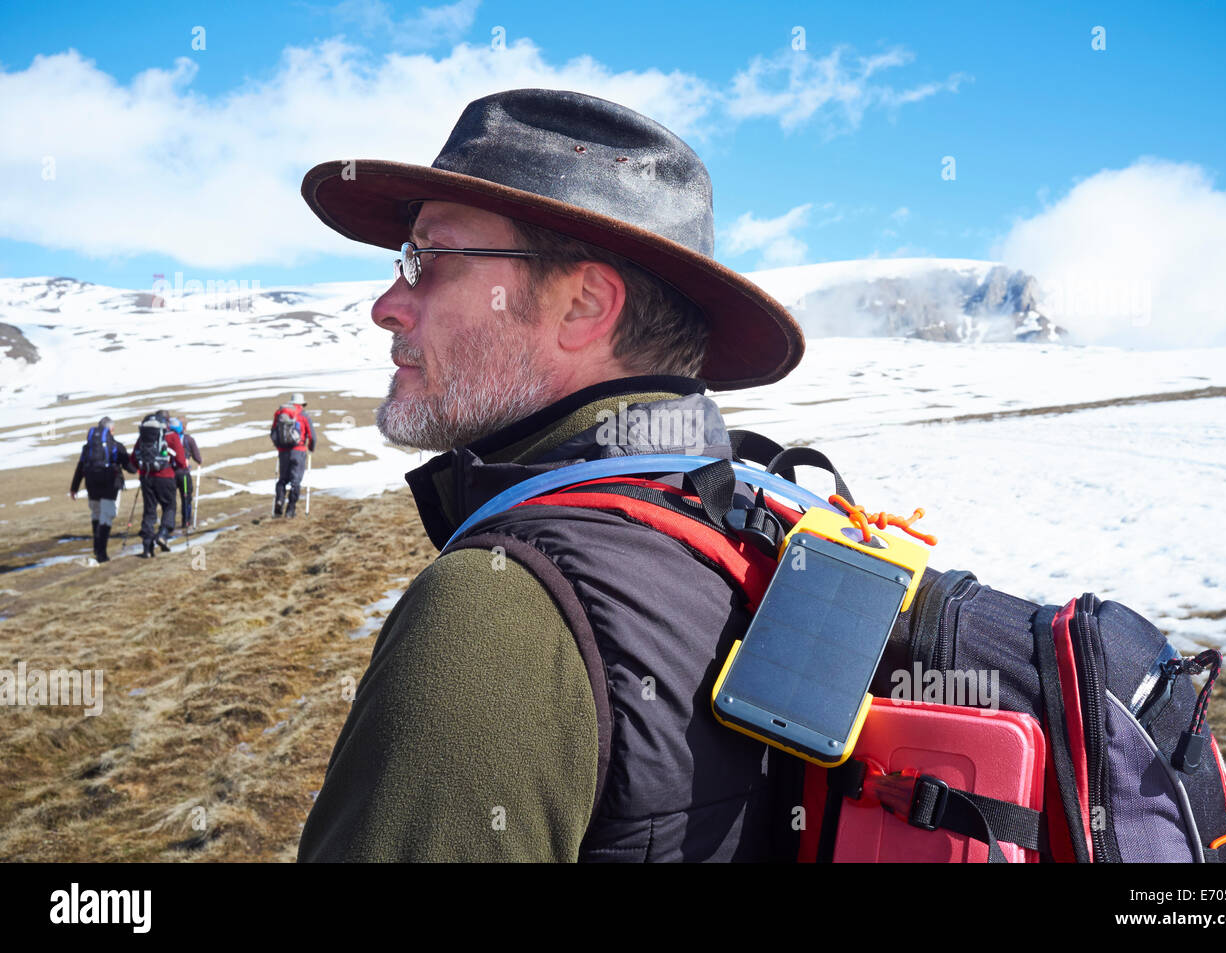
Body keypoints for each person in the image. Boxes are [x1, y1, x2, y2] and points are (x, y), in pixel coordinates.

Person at [296, 89, 805, 861]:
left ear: (583, 305)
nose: (387, 304)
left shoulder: (497, 607)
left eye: (429, 259)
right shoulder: (735, 522)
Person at [69, 416, 138, 563]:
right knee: (107, 516)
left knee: (96, 514)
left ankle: (96, 548)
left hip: (91, 485)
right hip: (110, 485)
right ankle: (102, 553)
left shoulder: (87, 447)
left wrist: (74, 488)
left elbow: (80, 467)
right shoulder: (116, 446)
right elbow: (130, 468)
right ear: (111, 430)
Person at [131, 412, 187, 557]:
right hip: (166, 476)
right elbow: (181, 461)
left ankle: (147, 547)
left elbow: (133, 459)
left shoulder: (144, 436)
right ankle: (163, 534)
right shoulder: (172, 436)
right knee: (169, 506)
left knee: (149, 510)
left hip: (146, 477)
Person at [270, 393, 315, 518]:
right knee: (296, 481)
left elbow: (273, 432)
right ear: (301, 404)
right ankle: (290, 510)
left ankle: (279, 501)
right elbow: (312, 436)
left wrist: (279, 446)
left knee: (282, 479)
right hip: (298, 451)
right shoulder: (303, 415)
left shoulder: (280, 413)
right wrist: (310, 448)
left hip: (283, 451)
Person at [169, 416, 202, 529]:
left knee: (171, 499)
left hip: (170, 474)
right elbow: (198, 458)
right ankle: (186, 521)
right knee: (186, 497)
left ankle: (169, 524)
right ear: (185, 427)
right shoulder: (188, 439)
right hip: (183, 473)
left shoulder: (167, 438)